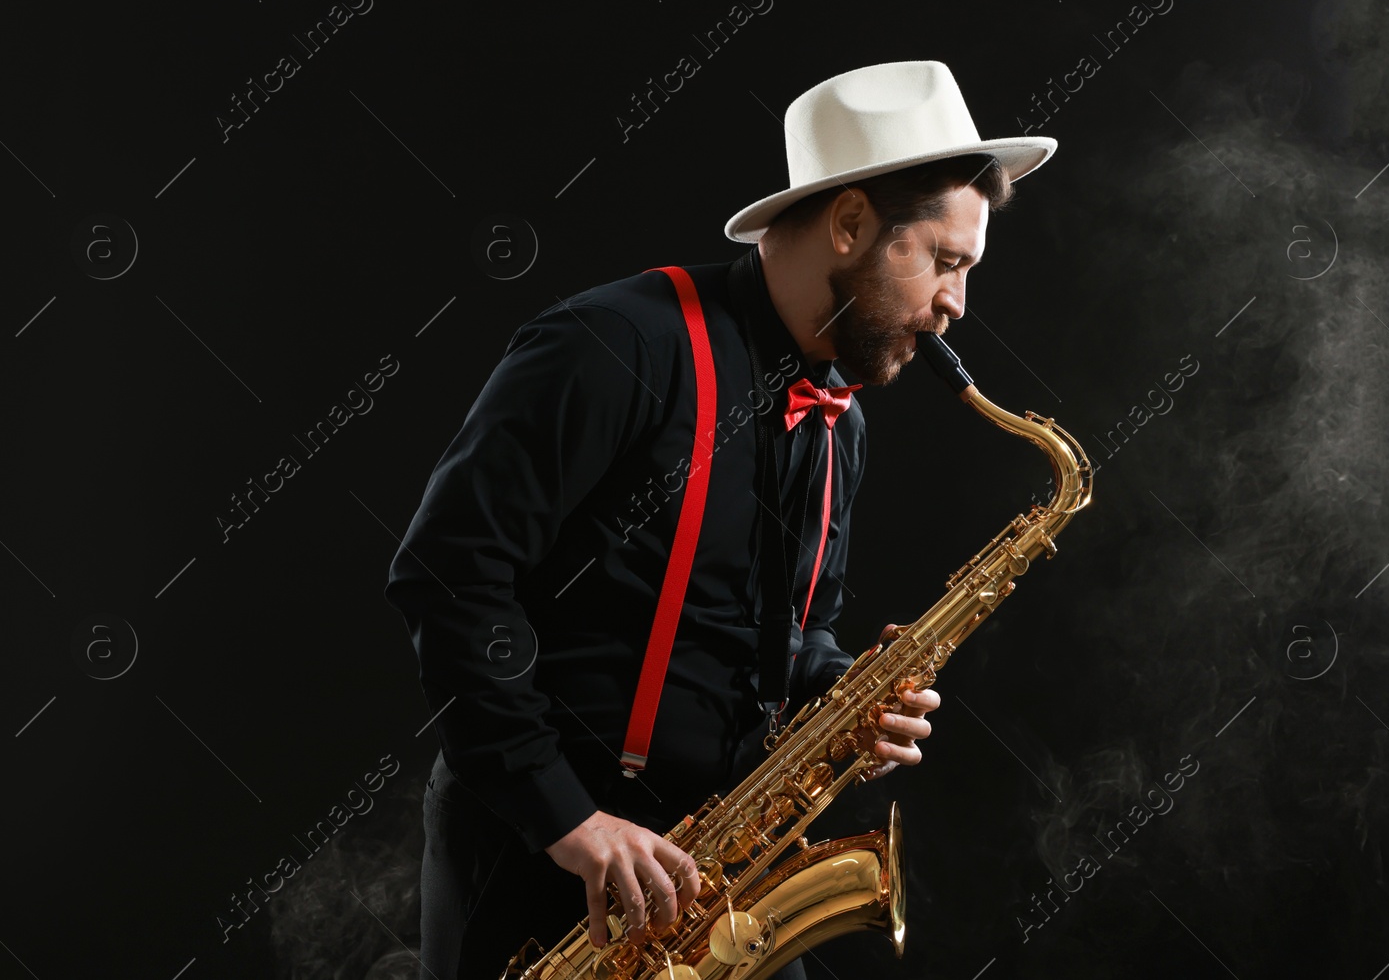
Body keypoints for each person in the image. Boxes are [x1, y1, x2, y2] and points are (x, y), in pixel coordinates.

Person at [384, 59, 1057, 978]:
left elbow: (791, 627)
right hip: (538, 856)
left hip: (710, 872)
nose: (955, 306)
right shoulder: (613, 346)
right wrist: (570, 822)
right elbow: (451, 575)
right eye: (944, 261)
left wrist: (846, 690)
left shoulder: (841, 420)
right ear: (852, 223)